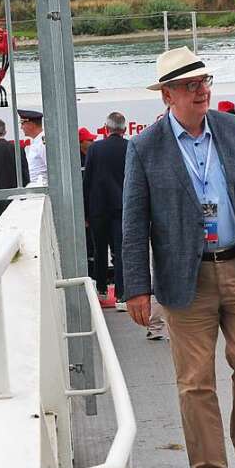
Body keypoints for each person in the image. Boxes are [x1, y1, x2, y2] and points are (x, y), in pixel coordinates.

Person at [122, 46, 235, 468]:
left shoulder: (233, 130)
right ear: (167, 95)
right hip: (186, 279)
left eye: (204, 82)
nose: (201, 91)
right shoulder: (144, 148)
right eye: (190, 85)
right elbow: (134, 222)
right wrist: (136, 287)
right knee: (195, 379)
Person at [83, 112, 137, 318]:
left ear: (106, 128)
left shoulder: (95, 149)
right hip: (122, 207)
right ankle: (122, 296)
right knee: (121, 251)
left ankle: (102, 289)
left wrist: (86, 210)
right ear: (124, 130)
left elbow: (87, 180)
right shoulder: (131, 147)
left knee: (99, 250)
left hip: (98, 208)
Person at [19, 109, 48, 187]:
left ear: (31, 125)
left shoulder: (43, 142)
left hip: (41, 187)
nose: (21, 127)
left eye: (22, 124)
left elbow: (51, 167)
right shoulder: (37, 141)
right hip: (35, 187)